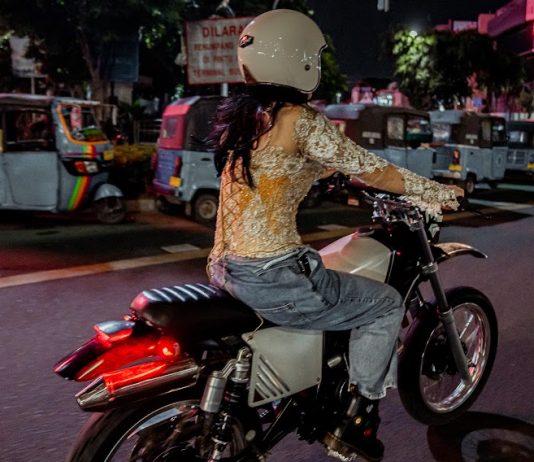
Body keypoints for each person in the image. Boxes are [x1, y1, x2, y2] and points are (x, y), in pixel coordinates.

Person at [206, 9, 463, 462]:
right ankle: (356, 421)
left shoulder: (245, 118)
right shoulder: (300, 120)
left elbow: (278, 170)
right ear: (300, 59)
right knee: (385, 304)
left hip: (225, 268)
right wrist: (435, 191)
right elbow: (372, 168)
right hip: (272, 275)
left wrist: (325, 176)